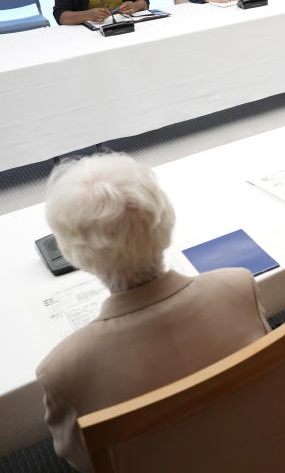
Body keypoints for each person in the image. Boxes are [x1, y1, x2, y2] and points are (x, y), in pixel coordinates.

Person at [35, 153, 270, 472]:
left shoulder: (63, 368)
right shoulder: (239, 286)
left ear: (73, 254)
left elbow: (86, 461)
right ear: (166, 223)